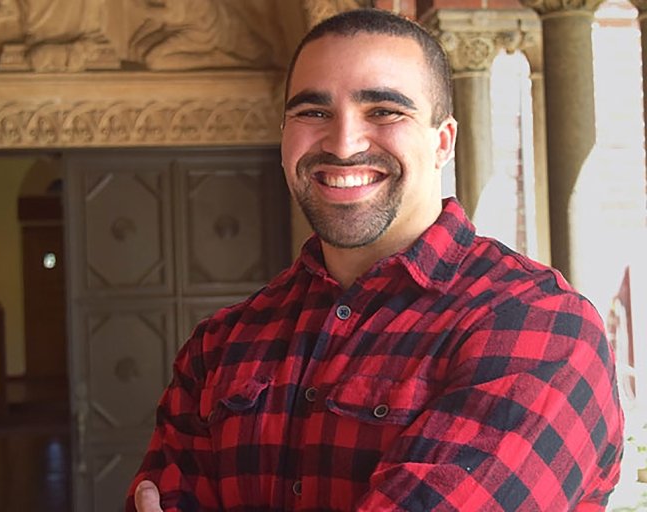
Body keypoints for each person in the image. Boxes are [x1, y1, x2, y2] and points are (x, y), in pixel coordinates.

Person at [126, 8, 624, 511]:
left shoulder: (540, 328)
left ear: (442, 142)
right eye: (313, 112)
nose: (344, 144)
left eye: (385, 111)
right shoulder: (219, 346)